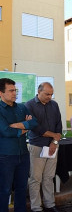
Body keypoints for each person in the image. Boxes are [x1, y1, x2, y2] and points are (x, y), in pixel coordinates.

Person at [0, 78, 37, 212]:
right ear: (1, 93)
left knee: (22, 188)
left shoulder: (22, 107)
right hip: (6, 157)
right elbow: (6, 131)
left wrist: (19, 126)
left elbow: (34, 123)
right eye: (11, 91)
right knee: (4, 190)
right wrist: (25, 126)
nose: (14, 93)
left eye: (15, 90)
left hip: (23, 155)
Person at [25, 82, 62, 212]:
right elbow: (35, 127)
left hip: (52, 147)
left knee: (49, 177)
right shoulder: (29, 105)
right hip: (37, 146)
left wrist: (54, 142)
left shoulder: (54, 105)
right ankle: (36, 207)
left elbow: (59, 125)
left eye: (51, 94)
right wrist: (54, 136)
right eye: (47, 94)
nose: (49, 97)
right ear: (39, 91)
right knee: (36, 179)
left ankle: (50, 204)